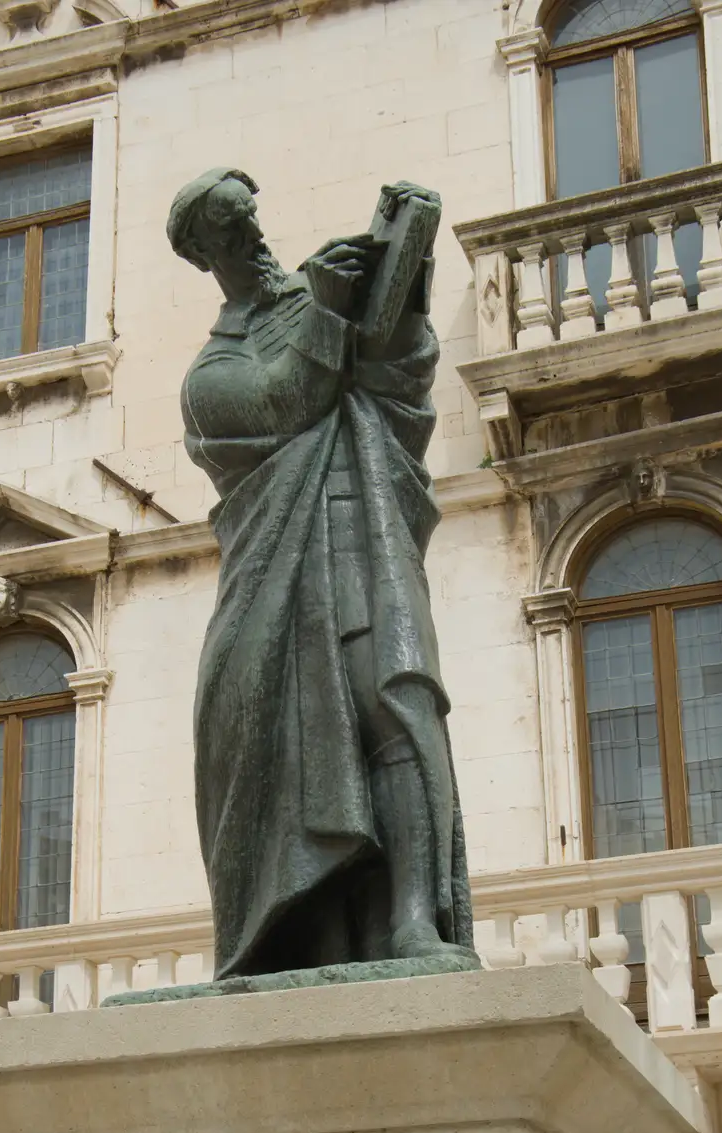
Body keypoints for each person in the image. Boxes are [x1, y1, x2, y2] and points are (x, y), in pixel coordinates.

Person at [167, 168, 475, 977]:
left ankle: (413, 919)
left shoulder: (315, 293)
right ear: (203, 252)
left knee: (397, 707)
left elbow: (398, 373)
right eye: (231, 228)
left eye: (251, 218)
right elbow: (282, 403)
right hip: (278, 580)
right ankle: (313, 931)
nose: (254, 237)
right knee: (302, 743)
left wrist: (401, 281)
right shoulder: (210, 377)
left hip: (365, 530)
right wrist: (334, 314)